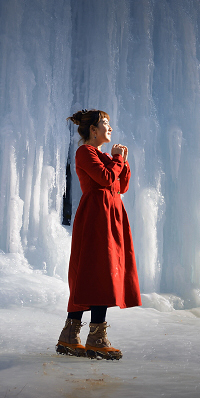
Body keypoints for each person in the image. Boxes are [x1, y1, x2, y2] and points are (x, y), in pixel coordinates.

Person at [57, 109, 141, 360]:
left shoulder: (103, 156)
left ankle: (70, 336)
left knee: (95, 272)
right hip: (97, 215)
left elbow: (121, 186)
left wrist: (122, 161)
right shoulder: (85, 152)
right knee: (98, 272)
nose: (110, 128)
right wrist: (116, 161)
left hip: (110, 215)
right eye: (105, 124)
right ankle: (96, 338)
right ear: (93, 130)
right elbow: (104, 179)